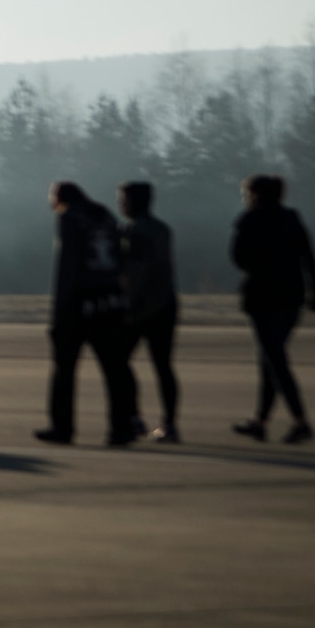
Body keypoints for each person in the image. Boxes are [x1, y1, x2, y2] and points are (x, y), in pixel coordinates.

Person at [35, 181, 136, 445]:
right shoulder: (104, 216)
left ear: (60, 198)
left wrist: (58, 313)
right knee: (115, 369)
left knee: (64, 370)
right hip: (110, 301)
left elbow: (68, 266)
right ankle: (121, 429)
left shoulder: (69, 218)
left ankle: (63, 427)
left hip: (79, 303)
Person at [230, 174, 315, 444]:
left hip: (262, 297)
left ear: (255, 195)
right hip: (292, 297)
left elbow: (238, 256)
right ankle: (260, 421)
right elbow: (309, 257)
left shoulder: (249, 219)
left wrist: (258, 266)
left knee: (275, 360)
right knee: (270, 359)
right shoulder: (292, 218)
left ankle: (300, 421)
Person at [118, 181, 180, 443]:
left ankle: (133, 417)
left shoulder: (133, 231)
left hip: (141, 307)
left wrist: (128, 306)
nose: (120, 205)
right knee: (163, 366)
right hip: (166, 303)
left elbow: (135, 272)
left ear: (132, 202)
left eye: (123, 200)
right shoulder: (162, 229)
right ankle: (169, 423)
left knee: (118, 360)